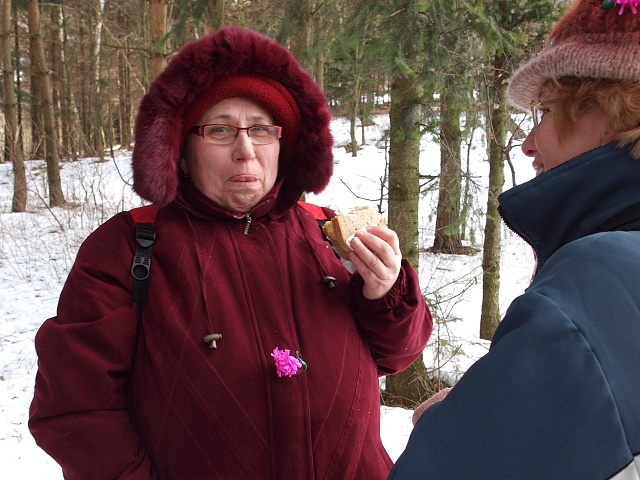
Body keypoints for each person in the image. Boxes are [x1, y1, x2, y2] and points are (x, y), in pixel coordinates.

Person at [29, 27, 432, 480]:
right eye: (220, 131)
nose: (245, 151)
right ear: (180, 151)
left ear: (284, 145)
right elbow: (75, 406)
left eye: (261, 130)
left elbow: (399, 355)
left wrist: (384, 291)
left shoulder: (328, 233)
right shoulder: (126, 247)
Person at [388, 0, 640, 478]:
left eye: (545, 110)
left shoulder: (595, 281)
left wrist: (457, 426)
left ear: (621, 110)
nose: (527, 143)